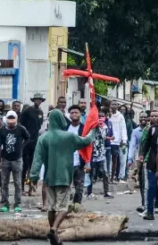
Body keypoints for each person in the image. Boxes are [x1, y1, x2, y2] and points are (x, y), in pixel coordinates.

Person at [29, 109, 95, 245]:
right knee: (63, 207)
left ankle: (55, 235)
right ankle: (54, 229)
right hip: (64, 176)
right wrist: (93, 129)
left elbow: (37, 159)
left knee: (51, 207)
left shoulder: (43, 138)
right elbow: (86, 141)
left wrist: (34, 177)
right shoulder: (69, 137)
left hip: (49, 178)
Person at [0, 111, 30, 212]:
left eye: (13, 121)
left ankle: (17, 204)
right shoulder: (1, 130)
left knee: (18, 183)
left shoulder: (21, 129)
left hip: (17, 160)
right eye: (9, 121)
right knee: (4, 183)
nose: (11, 123)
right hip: (5, 159)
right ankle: (6, 203)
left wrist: (21, 147)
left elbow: (28, 138)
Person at [20, 93, 44, 196]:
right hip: (26, 141)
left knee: (33, 166)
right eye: (36, 100)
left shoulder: (41, 112)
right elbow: (21, 124)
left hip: (36, 141)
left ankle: (31, 188)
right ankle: (21, 188)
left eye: (40, 100)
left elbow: (39, 126)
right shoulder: (27, 111)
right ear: (33, 100)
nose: (38, 101)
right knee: (24, 166)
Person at [86, 113, 112, 199]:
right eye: (99, 117)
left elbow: (103, 136)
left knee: (105, 173)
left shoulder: (105, 127)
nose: (100, 119)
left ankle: (106, 192)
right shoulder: (93, 128)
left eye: (102, 117)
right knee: (91, 174)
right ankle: (89, 192)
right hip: (93, 154)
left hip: (101, 154)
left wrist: (100, 127)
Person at [66, 105, 85, 205]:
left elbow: (88, 146)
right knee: (65, 187)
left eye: (76, 112)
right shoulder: (65, 128)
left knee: (79, 188)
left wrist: (87, 163)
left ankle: (77, 207)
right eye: (72, 113)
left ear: (80, 114)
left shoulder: (84, 129)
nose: (74, 114)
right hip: (66, 163)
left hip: (79, 162)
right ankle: (65, 207)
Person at [129, 112, 148, 209]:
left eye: (145, 117)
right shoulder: (136, 131)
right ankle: (143, 202)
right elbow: (132, 145)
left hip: (150, 159)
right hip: (139, 159)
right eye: (141, 117)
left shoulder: (150, 130)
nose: (143, 119)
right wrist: (130, 158)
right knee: (142, 181)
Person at [109, 101, 128, 183]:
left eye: (116, 104)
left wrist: (124, 140)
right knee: (108, 160)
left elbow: (123, 128)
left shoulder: (120, 116)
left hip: (117, 141)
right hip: (108, 141)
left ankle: (117, 177)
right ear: (110, 105)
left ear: (117, 106)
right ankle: (109, 176)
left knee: (116, 160)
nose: (114, 106)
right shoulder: (108, 115)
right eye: (112, 104)